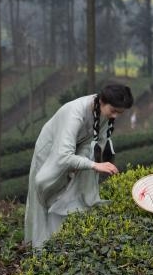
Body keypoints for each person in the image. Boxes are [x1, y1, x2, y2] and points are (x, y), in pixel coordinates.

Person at [24, 83, 134, 248]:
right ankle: (40, 249)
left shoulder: (103, 112)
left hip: (72, 153)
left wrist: (82, 162)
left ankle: (61, 241)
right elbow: (62, 155)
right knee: (45, 196)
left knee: (68, 194)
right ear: (102, 101)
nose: (115, 116)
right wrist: (93, 165)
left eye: (120, 113)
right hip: (51, 153)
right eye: (114, 111)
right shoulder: (74, 113)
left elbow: (90, 142)